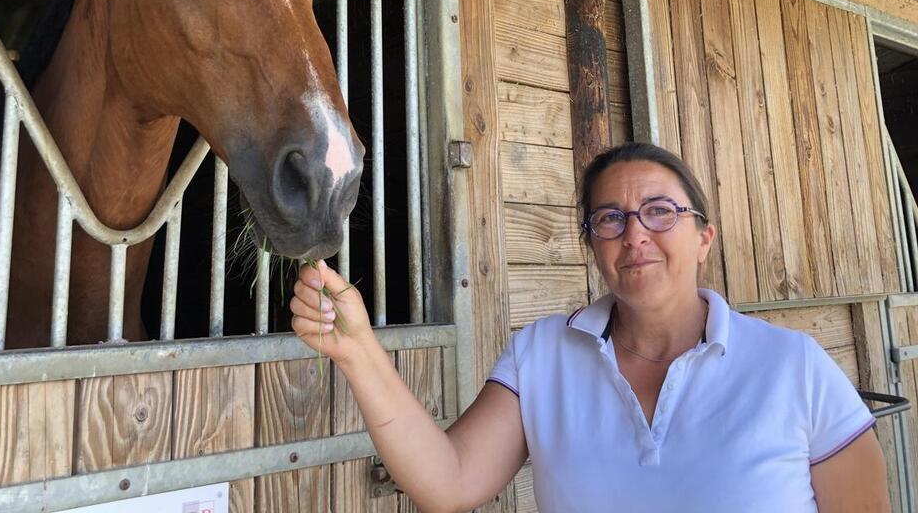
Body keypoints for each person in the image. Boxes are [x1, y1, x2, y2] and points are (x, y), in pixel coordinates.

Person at [290, 142, 890, 512]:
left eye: (660, 211)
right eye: (610, 218)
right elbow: (450, 481)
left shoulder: (795, 366)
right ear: (593, 246)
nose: (634, 233)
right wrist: (359, 351)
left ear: (703, 237)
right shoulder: (541, 356)